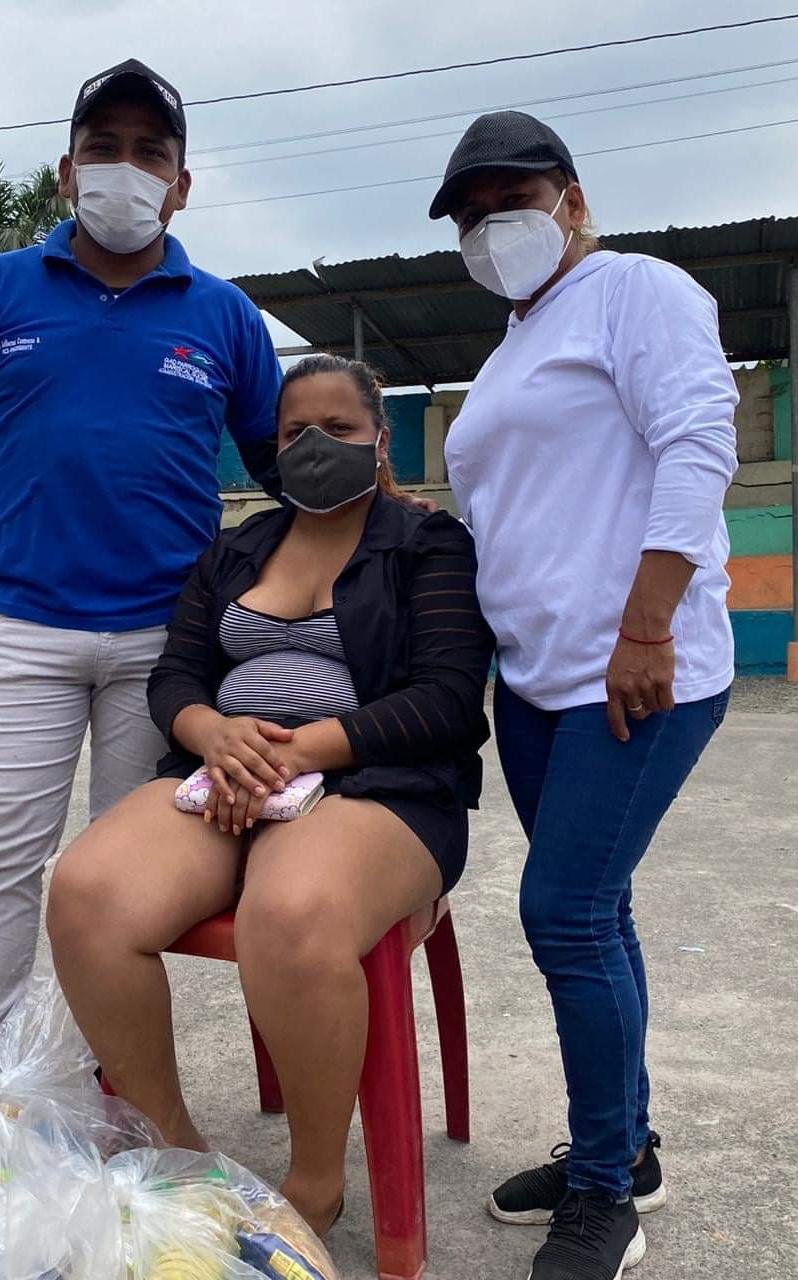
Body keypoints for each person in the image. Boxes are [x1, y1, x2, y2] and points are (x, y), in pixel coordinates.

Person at [47, 354, 494, 1235]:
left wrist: (299, 752)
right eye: (296, 432)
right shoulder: (237, 548)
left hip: (380, 786)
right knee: (86, 892)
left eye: (339, 428)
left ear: (379, 440)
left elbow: (447, 698)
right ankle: (173, 1152)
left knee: (290, 912)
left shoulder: (428, 543)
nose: (316, 445)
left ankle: (313, 1186)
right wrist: (214, 735)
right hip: (227, 771)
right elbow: (177, 674)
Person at [0, 59, 285, 1080]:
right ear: (67, 173)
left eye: (149, 152)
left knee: (121, 881)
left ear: (181, 185)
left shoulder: (224, 316)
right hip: (20, 628)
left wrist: (375, 518)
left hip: (167, 645)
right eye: (103, 149)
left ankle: (95, 1096)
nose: (126, 169)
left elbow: (283, 463)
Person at [429, 111, 737, 1280]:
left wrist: (648, 622)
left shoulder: (635, 290)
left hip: (635, 669)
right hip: (536, 685)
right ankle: (626, 1146)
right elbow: (519, 510)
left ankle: (605, 1190)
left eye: (509, 200)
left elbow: (698, 442)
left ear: (569, 196)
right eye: (469, 215)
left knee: (563, 912)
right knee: (598, 912)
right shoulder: (513, 347)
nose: (489, 227)